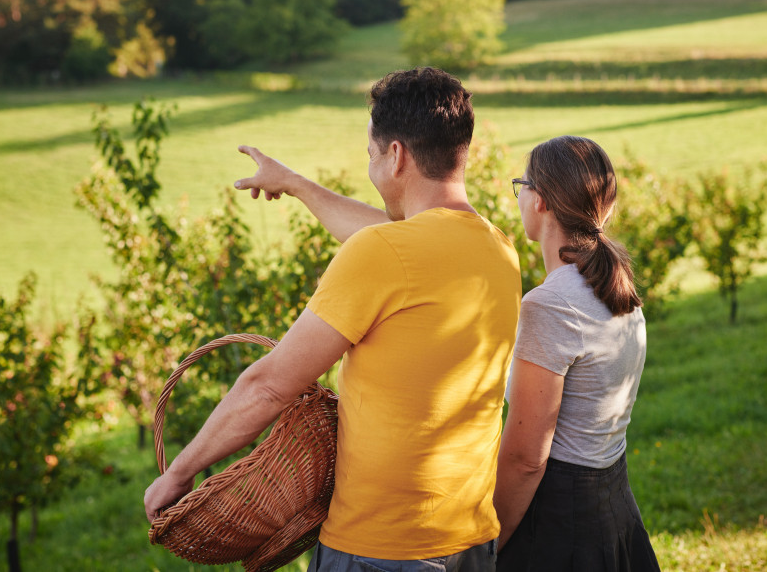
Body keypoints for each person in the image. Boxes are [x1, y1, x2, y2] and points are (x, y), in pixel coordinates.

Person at [143, 67, 521, 572]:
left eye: (371, 156)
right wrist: (296, 184)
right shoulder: (496, 248)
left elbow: (270, 386)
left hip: (380, 549)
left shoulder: (384, 252)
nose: (371, 168)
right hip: (469, 540)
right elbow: (391, 238)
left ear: (396, 155)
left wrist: (181, 473)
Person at [494, 135, 661, 572]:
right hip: (613, 507)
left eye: (522, 185)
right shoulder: (616, 288)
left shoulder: (550, 306)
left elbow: (526, 458)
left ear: (541, 201)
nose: (520, 197)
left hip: (557, 527)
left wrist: (487, 546)